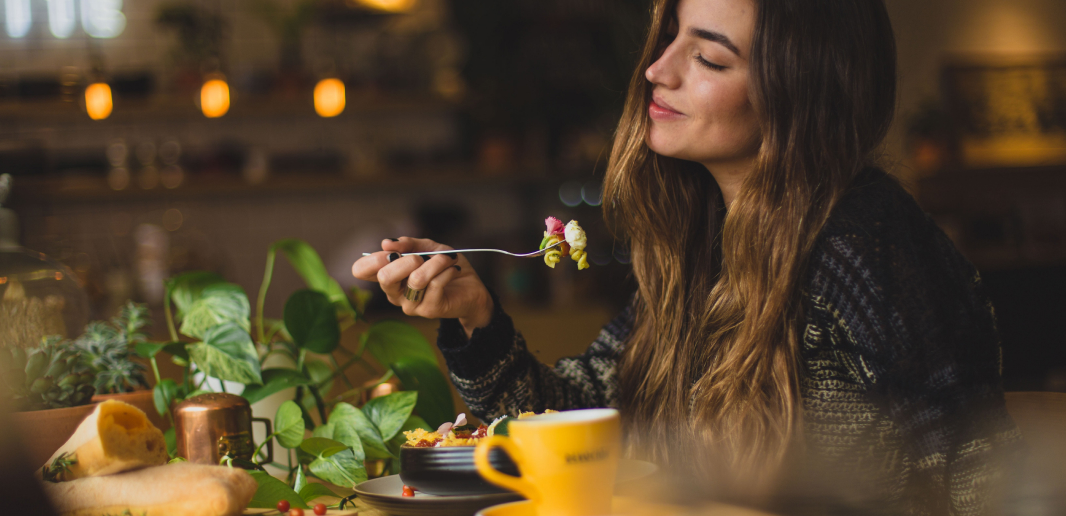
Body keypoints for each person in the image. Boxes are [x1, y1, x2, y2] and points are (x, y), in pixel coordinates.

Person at [353, 0, 1020, 513]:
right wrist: (475, 315)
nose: (656, 68)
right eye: (672, 34)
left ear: (800, 95)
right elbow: (581, 417)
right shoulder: (710, 245)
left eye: (710, 59)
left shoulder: (861, 244)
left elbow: (971, 473)